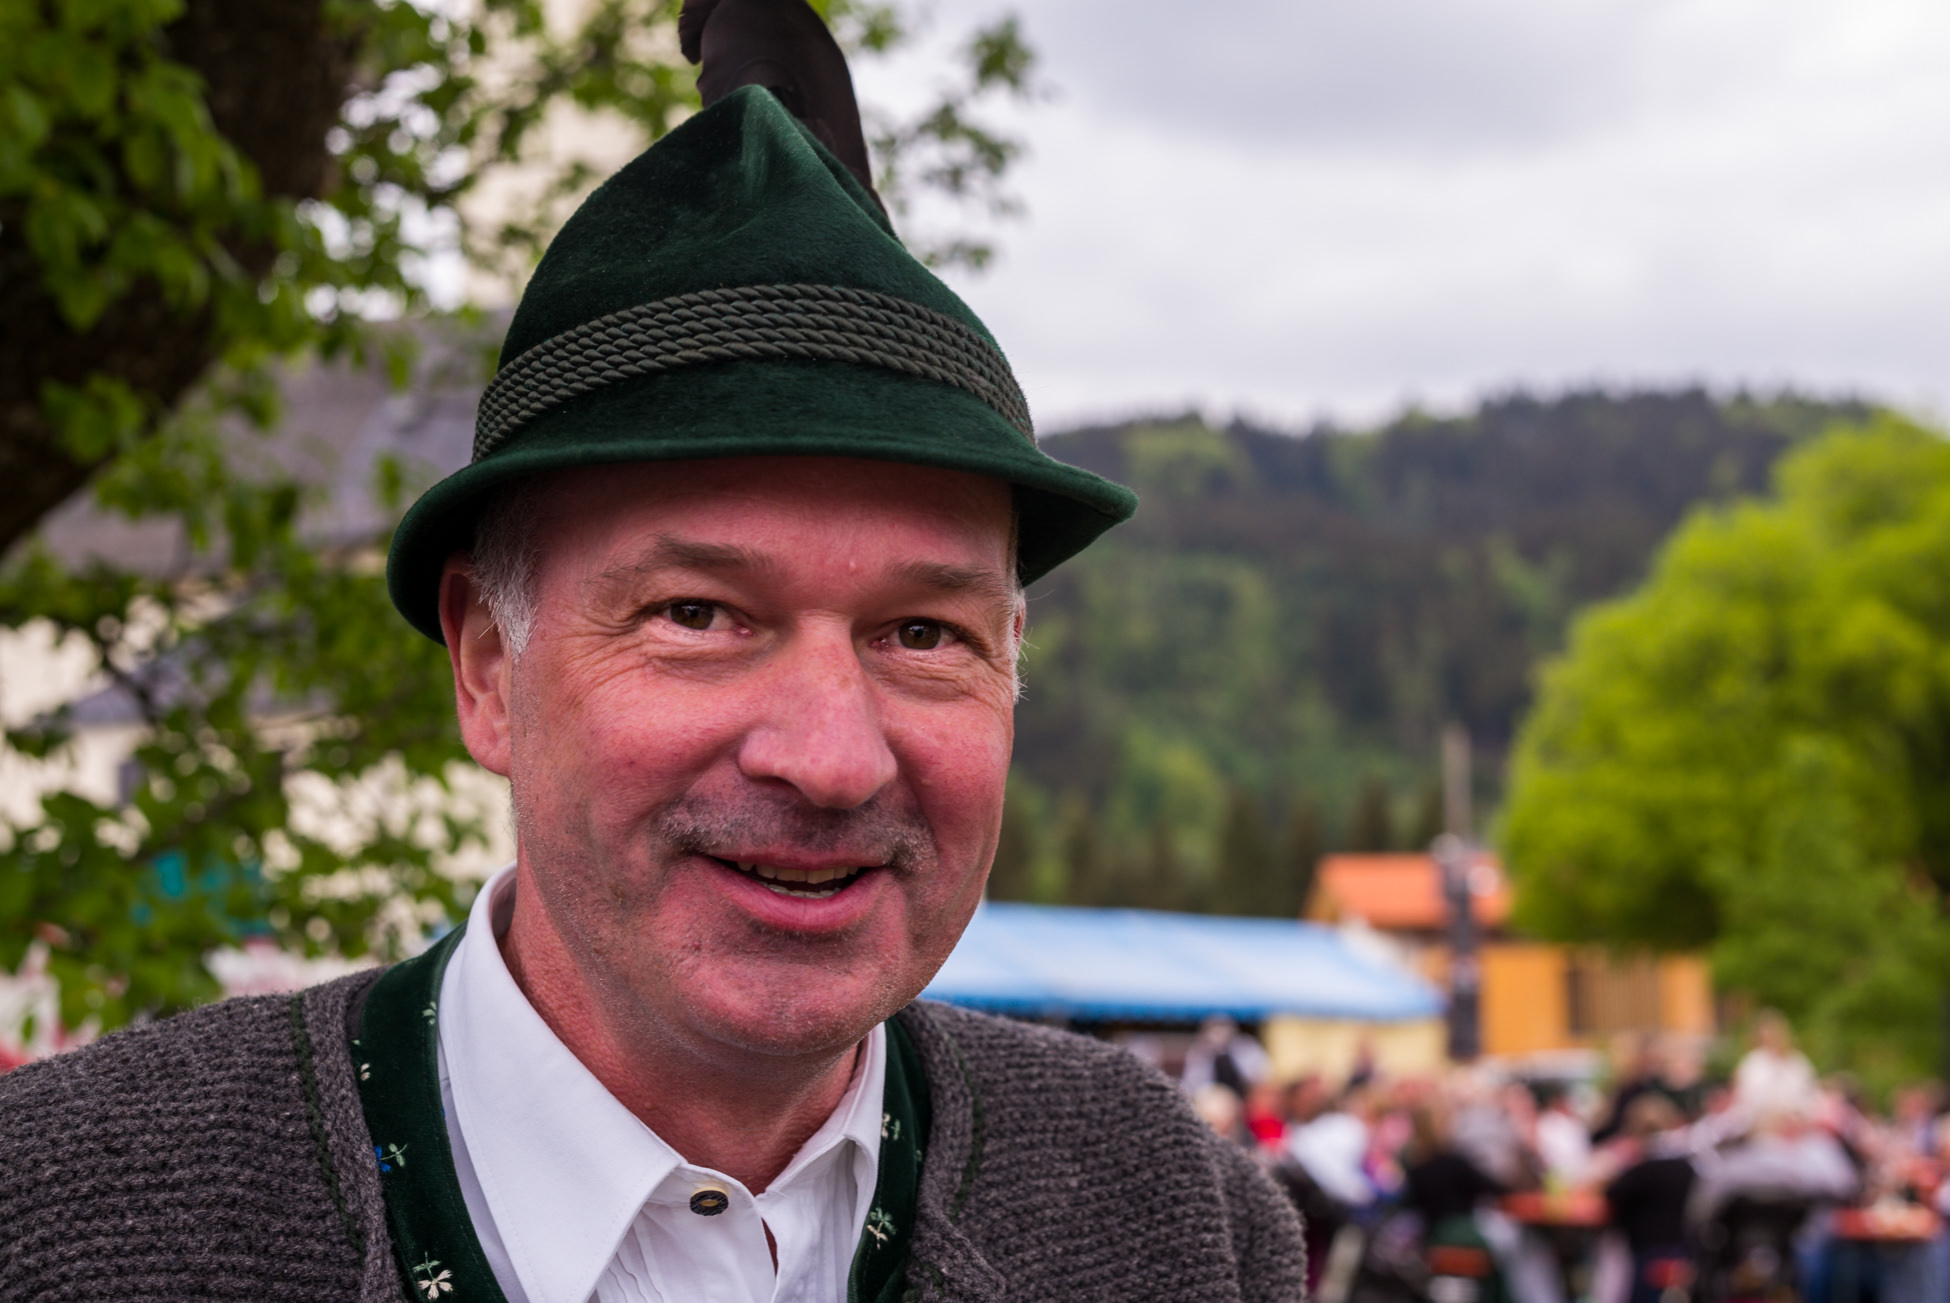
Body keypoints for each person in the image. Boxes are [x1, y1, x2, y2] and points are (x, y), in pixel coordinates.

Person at [0, 2, 1306, 1298]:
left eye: (923, 632)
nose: (832, 759)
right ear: (488, 666)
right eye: (699, 614)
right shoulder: (58, 1220)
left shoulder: (1175, 1220)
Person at [1603, 1097, 1697, 1303]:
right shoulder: (1688, 1168)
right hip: (1684, 1253)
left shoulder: (1640, 1171)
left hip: (1645, 1257)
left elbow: (1611, 1199)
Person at [1731, 1009, 1818, 1122]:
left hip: (1796, 1120)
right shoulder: (1751, 1062)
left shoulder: (1797, 1061)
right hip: (1762, 1121)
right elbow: (1745, 1097)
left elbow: (1810, 1091)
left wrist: (1796, 1113)